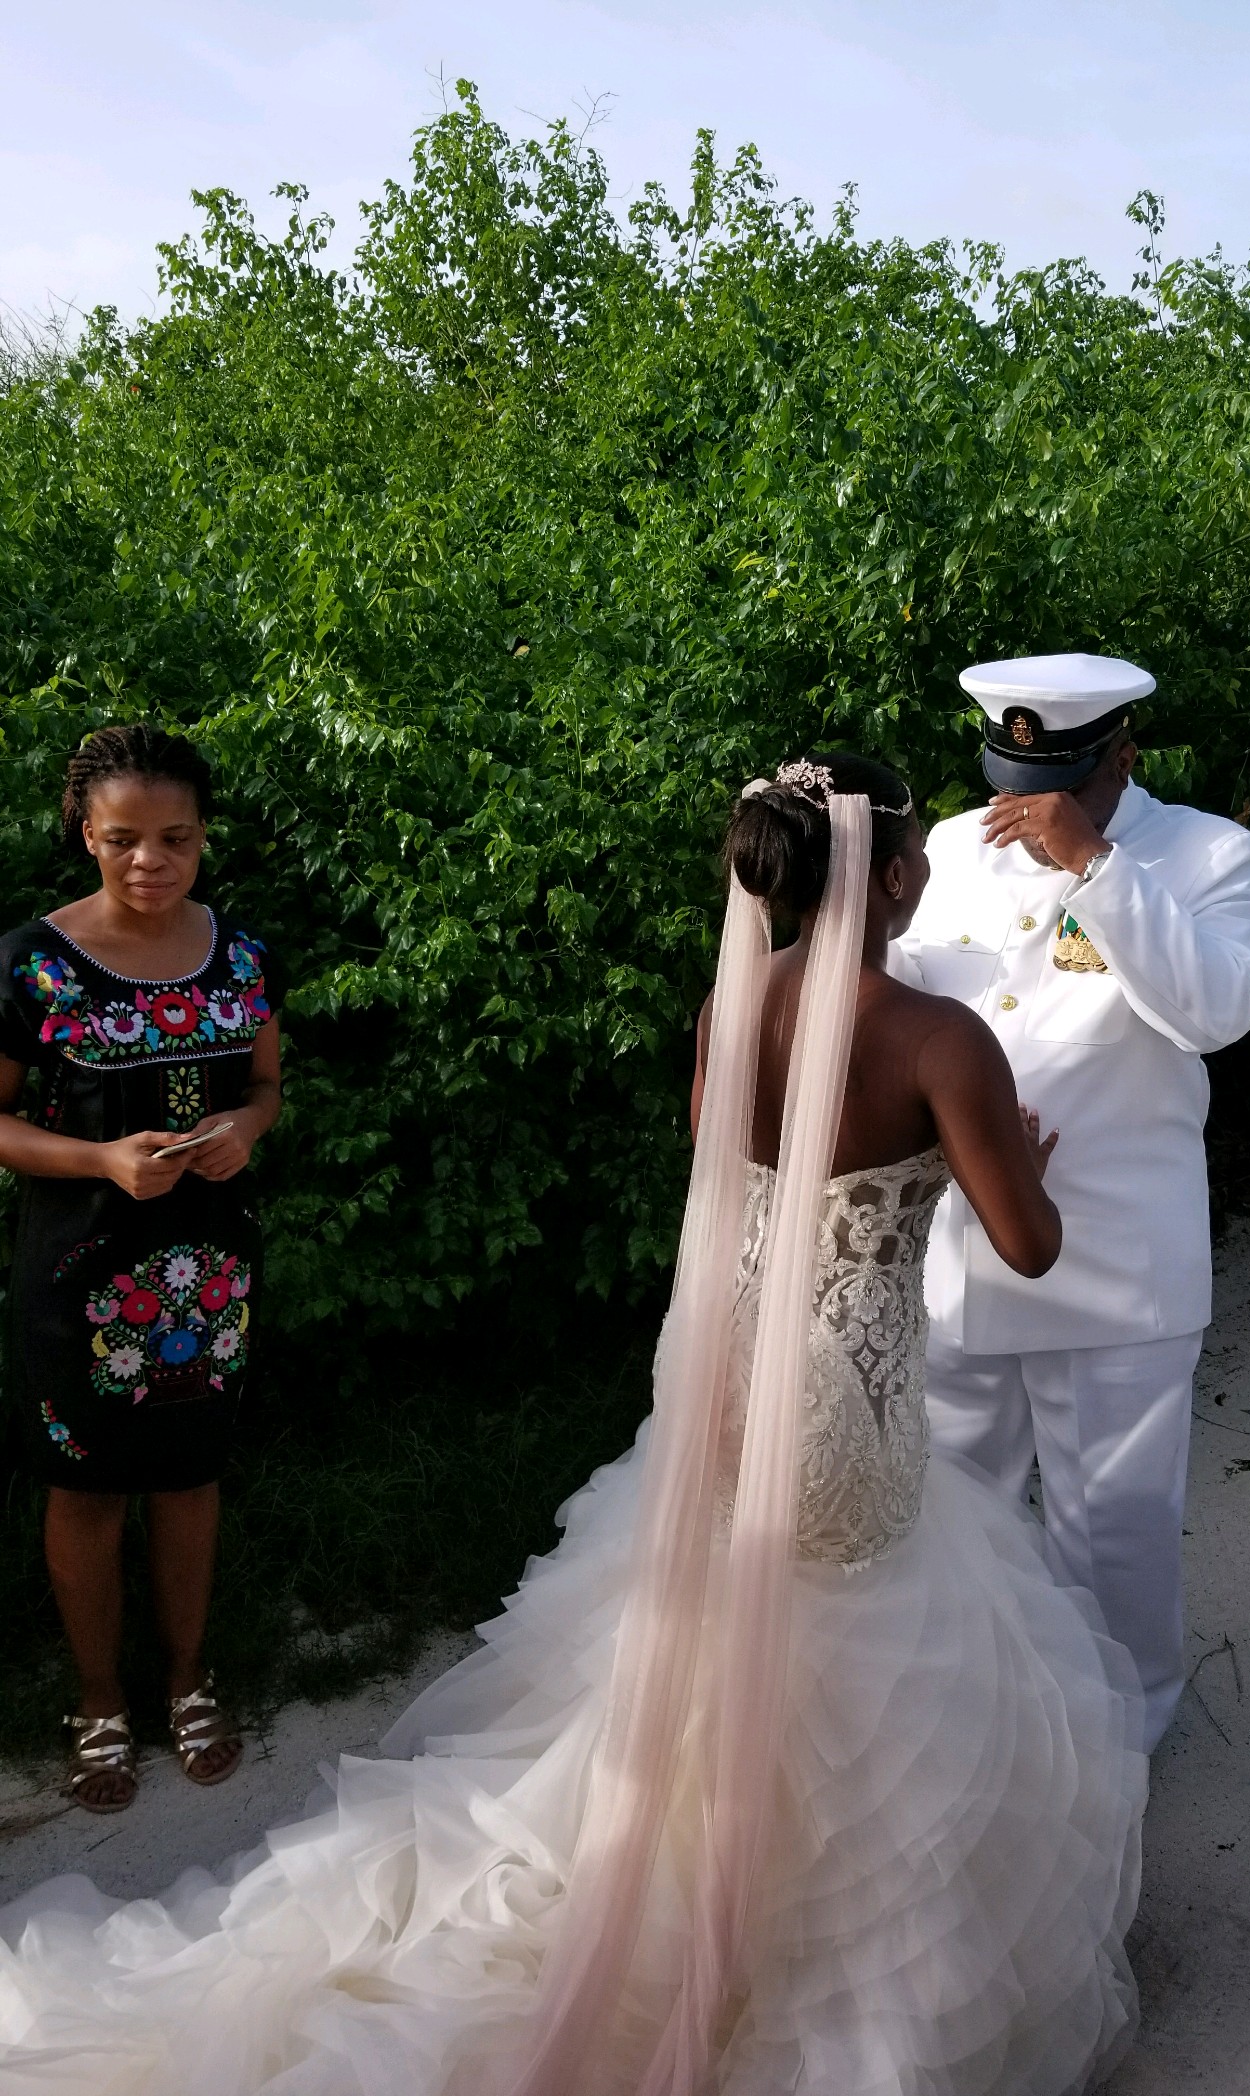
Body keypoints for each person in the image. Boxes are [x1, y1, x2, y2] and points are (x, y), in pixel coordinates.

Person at [0, 751, 1143, 2096]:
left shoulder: (730, 1007)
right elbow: (1027, 1246)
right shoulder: (942, 1040)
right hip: (851, 1401)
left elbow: (736, 1170)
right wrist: (1009, 1152)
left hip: (724, 1375)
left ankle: (685, 1880)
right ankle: (797, 1930)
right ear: (895, 874)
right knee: (864, 1652)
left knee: (732, 1633)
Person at [893, 655, 1250, 1751]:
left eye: (1055, 784)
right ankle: (960, 1726)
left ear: (1123, 757)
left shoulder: (1209, 853)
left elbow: (1218, 1012)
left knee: (1113, 1534)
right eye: (1013, 777)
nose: (1025, 810)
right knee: (948, 1516)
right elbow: (895, 1003)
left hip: (1117, 1270)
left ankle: (1120, 1740)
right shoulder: (954, 849)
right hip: (964, 1251)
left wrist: (1095, 864)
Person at [0, 725, 286, 1813]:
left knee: (188, 1472)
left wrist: (246, 1130)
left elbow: (265, 1085)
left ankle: (185, 1679)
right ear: (86, 834)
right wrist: (100, 1161)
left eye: (174, 837)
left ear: (204, 835)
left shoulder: (243, 954)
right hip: (77, 1276)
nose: (150, 861)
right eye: (124, 838)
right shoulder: (31, 960)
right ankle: (97, 1697)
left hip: (206, 1276)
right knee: (84, 1487)